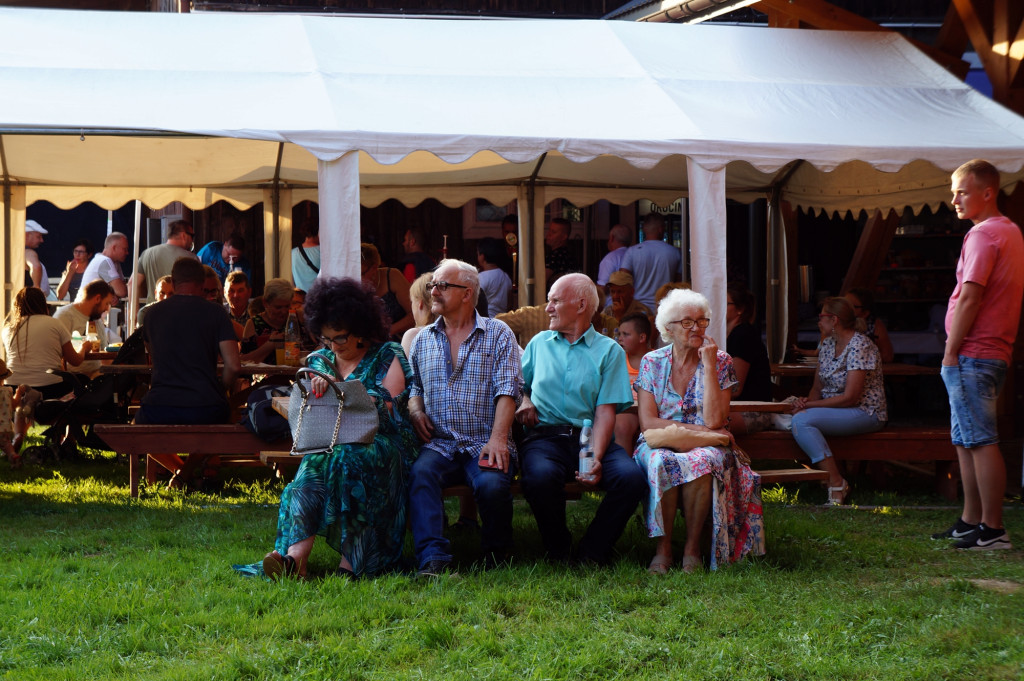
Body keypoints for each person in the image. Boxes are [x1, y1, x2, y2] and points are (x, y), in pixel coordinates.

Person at [249, 277, 417, 580]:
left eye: (339, 338)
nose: (333, 345)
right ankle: (294, 559)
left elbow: (389, 410)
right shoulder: (320, 359)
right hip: (331, 442)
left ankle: (354, 562)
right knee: (315, 460)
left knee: (346, 457)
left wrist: (342, 389)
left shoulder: (388, 354)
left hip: (384, 444)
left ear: (361, 330)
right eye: (326, 338)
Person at [516, 273, 646, 565]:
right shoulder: (539, 344)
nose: (547, 307)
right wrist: (524, 400)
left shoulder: (609, 350)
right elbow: (516, 386)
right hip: (545, 437)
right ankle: (558, 548)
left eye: (555, 301)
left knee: (632, 479)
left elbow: (605, 411)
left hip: (591, 436)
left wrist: (595, 457)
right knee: (538, 478)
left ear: (581, 305)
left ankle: (593, 550)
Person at [633, 288, 765, 573]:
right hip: (660, 443)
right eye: (687, 322)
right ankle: (663, 548)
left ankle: (692, 548)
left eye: (701, 321)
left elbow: (716, 420)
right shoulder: (652, 362)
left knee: (703, 460)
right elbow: (648, 422)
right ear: (668, 327)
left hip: (707, 446)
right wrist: (695, 429)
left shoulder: (721, 361)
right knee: (660, 461)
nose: (696, 328)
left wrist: (708, 365)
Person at [407, 259, 523, 576]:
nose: (434, 291)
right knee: (420, 476)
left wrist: (499, 439)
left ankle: (499, 555)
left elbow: (508, 390)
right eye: (433, 285)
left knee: (491, 484)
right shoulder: (423, 339)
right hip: (440, 443)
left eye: (442, 286)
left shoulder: (498, 333)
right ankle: (433, 558)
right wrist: (416, 409)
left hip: (484, 440)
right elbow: (415, 385)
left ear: (467, 293)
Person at [932, 159, 1024, 551]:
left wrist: (951, 351)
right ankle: (971, 521)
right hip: (990, 349)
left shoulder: (984, 235)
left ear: (988, 193)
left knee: (980, 439)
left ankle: (993, 528)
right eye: (953, 191)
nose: (954, 199)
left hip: (972, 350)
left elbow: (971, 294)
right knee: (965, 438)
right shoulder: (1010, 232)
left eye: (962, 191)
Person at [789, 297, 887, 505]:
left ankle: (835, 481)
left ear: (834, 320)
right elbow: (817, 388)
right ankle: (831, 478)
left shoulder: (860, 345)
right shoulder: (827, 345)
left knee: (802, 421)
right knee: (796, 417)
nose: (818, 321)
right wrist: (805, 402)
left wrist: (809, 407)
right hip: (837, 410)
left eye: (821, 316)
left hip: (866, 412)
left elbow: (851, 397)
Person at [137, 258, 239, 425]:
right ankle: (201, 453)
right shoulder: (216, 313)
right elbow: (234, 366)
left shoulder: (152, 314)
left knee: (136, 435)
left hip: (159, 406)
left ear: (174, 282)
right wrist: (221, 389)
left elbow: (154, 357)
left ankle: (170, 453)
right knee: (222, 426)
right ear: (201, 283)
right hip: (207, 406)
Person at [2, 287, 92, 400]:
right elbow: (75, 361)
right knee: (83, 380)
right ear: (43, 304)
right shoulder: (54, 324)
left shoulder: (8, 329)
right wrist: (84, 347)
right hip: (49, 389)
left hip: (14, 387)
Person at [53, 279, 116, 379]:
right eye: (107, 303)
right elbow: (55, 357)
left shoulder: (97, 320)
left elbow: (105, 357)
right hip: (74, 379)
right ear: (97, 299)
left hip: (96, 377)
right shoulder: (65, 316)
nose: (107, 309)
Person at [620, 213, 682, 310]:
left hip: (638, 307)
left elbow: (622, 280)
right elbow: (679, 283)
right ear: (661, 229)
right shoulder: (674, 252)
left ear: (644, 229)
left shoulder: (632, 252)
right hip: (665, 307)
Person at [725, 283, 772, 401]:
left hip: (752, 408)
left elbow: (735, 388)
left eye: (725, 303)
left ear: (740, 309)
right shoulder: (733, 333)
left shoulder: (742, 334)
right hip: (736, 406)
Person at [613, 311, 651, 452]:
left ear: (642, 337)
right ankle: (624, 469)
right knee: (621, 426)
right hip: (627, 409)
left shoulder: (657, 360)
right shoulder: (618, 360)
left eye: (626, 334)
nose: (620, 339)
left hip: (651, 409)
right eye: (619, 335)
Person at [133, 220, 197, 303]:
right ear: (183, 235)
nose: (192, 241)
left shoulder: (147, 253)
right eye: (192, 236)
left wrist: (134, 312)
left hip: (153, 310)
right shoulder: (191, 258)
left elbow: (132, 284)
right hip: (178, 310)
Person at [361, 243, 414, 340]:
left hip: (401, 340)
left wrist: (387, 332)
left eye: (361, 274)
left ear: (374, 268)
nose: (357, 278)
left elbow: (415, 314)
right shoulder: (352, 284)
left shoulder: (392, 276)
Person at [239, 278, 292, 363]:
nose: (284, 311)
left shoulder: (296, 319)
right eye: (278, 307)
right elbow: (243, 361)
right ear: (265, 303)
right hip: (264, 375)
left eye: (287, 306)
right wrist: (270, 345)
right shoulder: (254, 324)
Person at [845, 287, 894, 363]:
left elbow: (887, 356)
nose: (846, 308)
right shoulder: (836, 323)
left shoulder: (874, 325)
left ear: (865, 313)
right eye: (844, 304)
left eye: (852, 306)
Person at [81, 232, 130, 300]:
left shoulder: (114, 262)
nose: (127, 252)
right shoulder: (104, 261)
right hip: (86, 309)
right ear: (114, 248)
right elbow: (122, 291)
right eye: (125, 249)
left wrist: (114, 294)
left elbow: (120, 288)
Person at [597, 224, 632, 307]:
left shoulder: (610, 258)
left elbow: (602, 289)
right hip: (633, 306)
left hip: (613, 308)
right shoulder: (636, 255)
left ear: (611, 237)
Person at [476, 237, 513, 316]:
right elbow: (510, 303)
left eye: (478, 254)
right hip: (503, 319)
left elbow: (476, 303)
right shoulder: (506, 276)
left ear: (482, 256)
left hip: (486, 319)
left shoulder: (480, 278)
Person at [544, 217, 578, 288]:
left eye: (553, 232)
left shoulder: (556, 256)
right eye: (549, 230)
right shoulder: (568, 255)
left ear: (563, 237)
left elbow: (541, 280)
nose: (548, 234)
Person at [291, 220, 320, 293]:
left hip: (301, 298)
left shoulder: (293, 253)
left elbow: (292, 280)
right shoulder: (323, 251)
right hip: (319, 297)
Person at [24, 220, 52, 297]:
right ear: (27, 235)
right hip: (29, 303)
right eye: (38, 237)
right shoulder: (28, 252)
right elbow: (36, 267)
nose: (41, 240)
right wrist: (36, 291)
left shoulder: (12, 254)